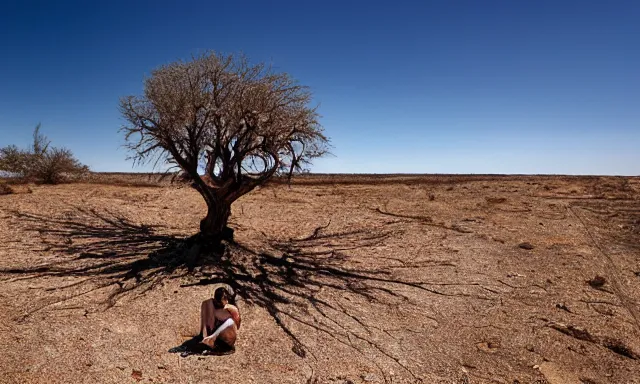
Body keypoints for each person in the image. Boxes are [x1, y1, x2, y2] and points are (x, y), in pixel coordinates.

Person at [198, 286, 241, 353]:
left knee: (230, 321)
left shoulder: (231, 308)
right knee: (206, 303)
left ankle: (212, 338)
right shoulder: (209, 304)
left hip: (227, 334)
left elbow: (237, 325)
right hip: (214, 330)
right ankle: (206, 337)